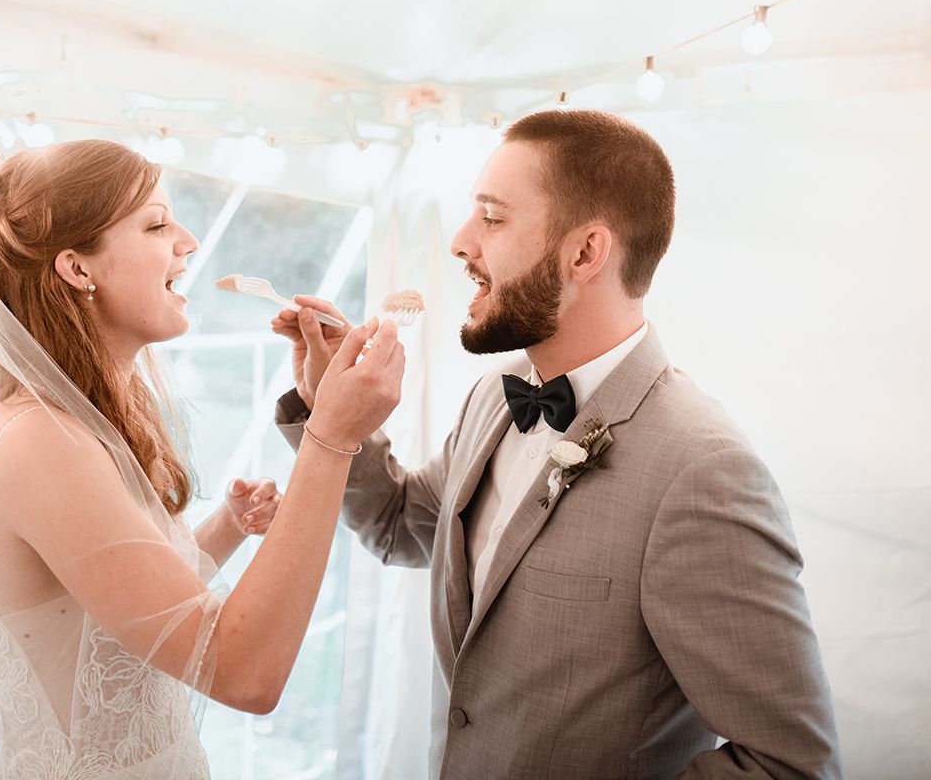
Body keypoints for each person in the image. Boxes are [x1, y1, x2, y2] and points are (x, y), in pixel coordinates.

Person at [272, 110, 842, 778]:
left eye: (491, 217)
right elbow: (401, 526)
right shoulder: (495, 393)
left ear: (584, 253)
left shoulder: (702, 469)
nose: (460, 242)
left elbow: (791, 764)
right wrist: (331, 408)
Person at [0, 139, 405, 778]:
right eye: (158, 223)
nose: (190, 240)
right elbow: (245, 674)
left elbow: (110, 613)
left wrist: (224, 529)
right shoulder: (38, 441)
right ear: (77, 269)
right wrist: (330, 434)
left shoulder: (71, 424)